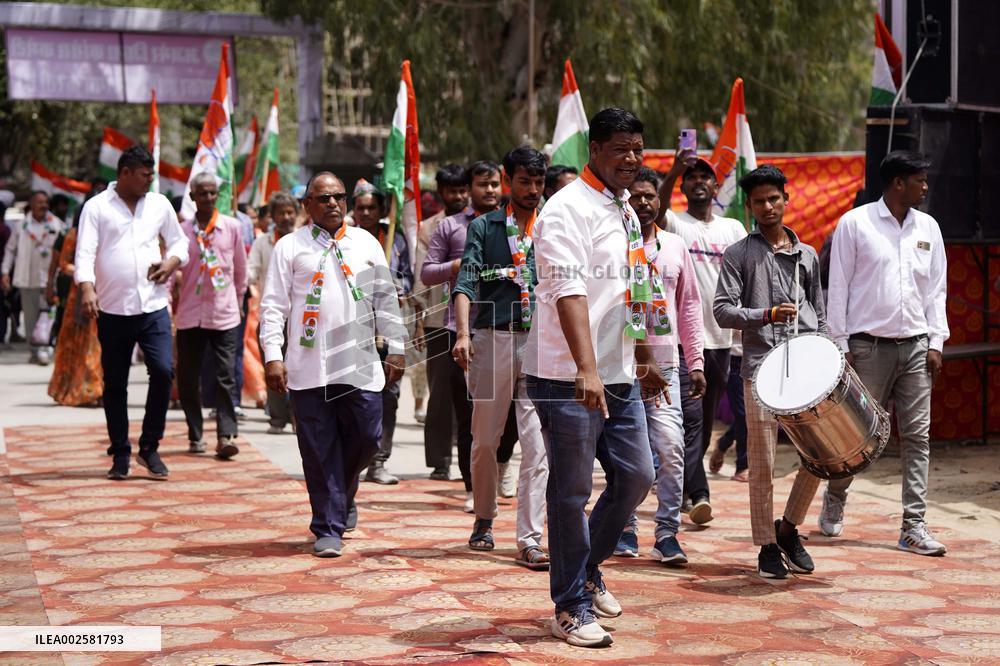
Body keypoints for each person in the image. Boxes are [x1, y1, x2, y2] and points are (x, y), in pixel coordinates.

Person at [524, 108, 669, 647]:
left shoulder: (625, 206)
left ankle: (586, 569)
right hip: (566, 375)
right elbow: (569, 292)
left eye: (638, 148)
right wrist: (585, 367)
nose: (632, 158)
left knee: (637, 475)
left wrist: (645, 355)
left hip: (620, 370)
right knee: (571, 492)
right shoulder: (566, 209)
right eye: (620, 149)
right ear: (595, 151)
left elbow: (634, 287)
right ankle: (569, 606)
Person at [260, 172, 406, 557]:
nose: (332, 204)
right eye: (323, 198)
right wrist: (273, 356)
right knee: (317, 448)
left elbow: (385, 298)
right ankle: (327, 526)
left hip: (359, 364)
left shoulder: (366, 242)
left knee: (368, 437)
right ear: (307, 205)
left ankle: (341, 494)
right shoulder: (289, 247)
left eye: (339, 197)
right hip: (308, 367)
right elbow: (273, 306)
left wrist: (396, 346)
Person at [822, 151, 949, 556]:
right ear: (898, 183)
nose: (925, 187)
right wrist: (841, 345)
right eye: (919, 180)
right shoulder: (855, 223)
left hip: (916, 347)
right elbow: (837, 287)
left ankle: (913, 525)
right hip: (867, 348)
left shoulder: (928, 227)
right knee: (856, 437)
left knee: (917, 436)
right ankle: (836, 496)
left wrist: (936, 342)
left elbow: (936, 290)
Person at [713, 164, 824, 579]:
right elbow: (722, 311)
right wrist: (767, 314)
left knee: (820, 456)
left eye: (774, 198)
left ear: (786, 200)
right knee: (761, 464)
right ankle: (766, 546)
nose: (767, 207)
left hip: (807, 368)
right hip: (760, 370)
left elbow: (819, 312)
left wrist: (827, 357)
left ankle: (789, 529)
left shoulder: (807, 254)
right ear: (750, 206)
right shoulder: (738, 254)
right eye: (759, 201)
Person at [452, 146, 550, 569]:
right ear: (508, 181)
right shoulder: (485, 227)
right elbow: (466, 281)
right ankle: (484, 516)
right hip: (493, 340)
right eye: (524, 181)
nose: (532, 190)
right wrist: (462, 334)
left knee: (537, 445)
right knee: (486, 440)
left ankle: (530, 538)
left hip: (542, 344)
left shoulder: (552, 224)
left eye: (539, 182)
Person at [75, 145, 189, 480]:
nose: (149, 181)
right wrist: (87, 289)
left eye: (151, 175)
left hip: (153, 304)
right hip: (112, 308)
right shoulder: (97, 207)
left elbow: (179, 242)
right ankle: (120, 453)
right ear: (124, 173)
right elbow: (85, 253)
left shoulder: (159, 204)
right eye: (144, 175)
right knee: (115, 383)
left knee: (163, 371)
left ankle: (149, 447)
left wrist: (170, 263)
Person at [613, 167, 706, 562]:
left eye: (649, 196)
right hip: (621, 366)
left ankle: (667, 532)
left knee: (671, 448)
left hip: (666, 367)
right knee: (629, 455)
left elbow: (690, 307)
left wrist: (695, 361)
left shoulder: (675, 246)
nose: (643, 203)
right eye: (635, 196)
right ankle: (625, 527)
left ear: (660, 200)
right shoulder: (614, 245)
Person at [654, 150, 748, 525]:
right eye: (690, 177)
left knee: (705, 424)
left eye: (704, 177)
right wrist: (675, 169)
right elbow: (658, 209)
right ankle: (695, 493)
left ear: (715, 186)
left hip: (722, 341)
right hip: (683, 342)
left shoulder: (733, 229)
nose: (698, 182)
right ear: (683, 186)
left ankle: (681, 486)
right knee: (688, 419)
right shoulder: (676, 225)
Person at [421, 160, 502, 507]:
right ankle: (473, 488)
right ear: (470, 189)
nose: (490, 190)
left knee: (511, 415)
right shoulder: (450, 227)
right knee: (470, 414)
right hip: (462, 330)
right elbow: (427, 273)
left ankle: (501, 464)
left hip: (509, 329)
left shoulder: (515, 224)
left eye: (495, 184)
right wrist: (456, 266)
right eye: (483, 184)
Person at [173, 173, 248, 459]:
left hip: (224, 314)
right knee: (188, 377)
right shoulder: (181, 231)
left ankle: (226, 434)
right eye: (202, 193)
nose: (208, 198)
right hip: (190, 314)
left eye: (212, 193)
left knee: (225, 375)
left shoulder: (232, 227)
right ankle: (195, 433)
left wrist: (238, 301)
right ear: (192, 197)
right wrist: (167, 305)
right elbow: (171, 271)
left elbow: (240, 270)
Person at [352, 179, 416, 486]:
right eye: (360, 208)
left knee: (389, 394)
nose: (366, 213)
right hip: (354, 332)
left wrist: (397, 289)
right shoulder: (345, 241)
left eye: (371, 208)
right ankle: (354, 459)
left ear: (381, 210)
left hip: (388, 330)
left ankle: (379, 461)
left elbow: (408, 277)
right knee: (354, 396)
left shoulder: (396, 239)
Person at [416, 164, 471, 469]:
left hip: (475, 319)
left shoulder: (479, 222)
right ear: (441, 193)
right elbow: (420, 276)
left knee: (471, 394)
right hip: (438, 320)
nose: (458, 196)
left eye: (463, 190)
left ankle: (469, 458)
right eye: (452, 191)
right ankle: (439, 461)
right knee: (440, 393)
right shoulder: (428, 227)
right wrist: (418, 320)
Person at [248, 192, 298, 434]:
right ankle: (277, 418)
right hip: (272, 316)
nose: (286, 217)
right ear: (272, 216)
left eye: (290, 212)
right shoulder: (262, 243)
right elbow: (251, 270)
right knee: (274, 365)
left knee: (300, 370)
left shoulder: (304, 241)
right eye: (281, 213)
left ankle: (299, 417)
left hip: (301, 319)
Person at [2, 190, 64, 365]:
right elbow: (10, 250)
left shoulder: (56, 224)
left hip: (49, 281)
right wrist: (5, 272)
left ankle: (45, 349)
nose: (43, 205)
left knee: (47, 316)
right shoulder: (21, 225)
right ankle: (34, 351)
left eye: (45, 202)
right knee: (30, 319)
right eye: (39, 202)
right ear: (32, 204)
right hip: (27, 280)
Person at [47, 215, 103, 406]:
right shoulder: (74, 234)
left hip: (107, 292)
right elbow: (64, 264)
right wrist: (86, 273)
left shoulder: (108, 229)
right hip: (81, 295)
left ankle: (101, 390)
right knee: (80, 343)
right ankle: (84, 390)